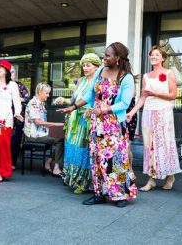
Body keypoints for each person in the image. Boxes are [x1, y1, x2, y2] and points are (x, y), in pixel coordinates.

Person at [58, 42, 137, 208]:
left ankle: (120, 194)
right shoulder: (101, 71)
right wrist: (73, 107)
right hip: (97, 124)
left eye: (107, 55)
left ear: (118, 58)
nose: (104, 58)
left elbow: (124, 103)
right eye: (104, 55)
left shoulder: (126, 77)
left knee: (116, 160)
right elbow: (90, 94)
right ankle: (99, 193)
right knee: (96, 158)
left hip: (114, 124)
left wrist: (104, 109)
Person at [127, 45, 181, 191]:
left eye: (157, 55)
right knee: (149, 146)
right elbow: (143, 98)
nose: (154, 57)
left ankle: (170, 176)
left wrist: (155, 93)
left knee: (165, 144)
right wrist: (132, 112)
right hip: (148, 112)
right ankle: (151, 179)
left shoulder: (169, 73)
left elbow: (173, 95)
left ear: (163, 58)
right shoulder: (146, 76)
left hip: (164, 112)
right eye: (152, 55)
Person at [54, 53, 101, 193]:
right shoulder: (81, 80)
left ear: (96, 66)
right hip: (75, 119)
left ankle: (84, 182)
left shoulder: (99, 81)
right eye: (84, 65)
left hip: (88, 119)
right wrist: (64, 100)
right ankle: (73, 179)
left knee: (84, 150)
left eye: (88, 65)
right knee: (72, 148)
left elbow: (98, 101)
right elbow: (74, 101)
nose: (85, 68)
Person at [25, 83, 64, 176]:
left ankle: (48, 163)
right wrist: (55, 124)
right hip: (33, 135)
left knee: (62, 139)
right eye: (46, 93)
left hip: (41, 133)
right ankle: (55, 167)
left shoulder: (41, 103)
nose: (48, 95)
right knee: (60, 141)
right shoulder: (33, 104)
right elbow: (38, 122)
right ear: (39, 92)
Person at [10, 65, 30, 169]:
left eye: (12, 72)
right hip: (4, 116)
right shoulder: (1, 85)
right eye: (9, 72)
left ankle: (13, 162)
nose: (11, 74)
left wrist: (17, 99)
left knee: (16, 140)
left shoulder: (20, 85)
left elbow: (27, 98)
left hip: (18, 117)